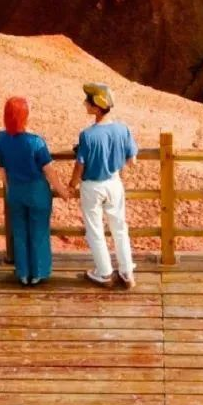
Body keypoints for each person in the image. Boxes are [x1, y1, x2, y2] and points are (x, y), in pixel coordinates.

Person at [69, 82, 138, 289]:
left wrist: (72, 184)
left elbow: (79, 165)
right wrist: (115, 165)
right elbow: (132, 160)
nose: (85, 104)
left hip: (92, 186)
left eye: (88, 102)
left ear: (97, 108)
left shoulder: (87, 135)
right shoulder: (123, 129)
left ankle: (104, 273)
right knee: (119, 228)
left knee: (95, 230)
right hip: (114, 184)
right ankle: (127, 273)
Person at [0, 96, 66, 286]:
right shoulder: (36, 142)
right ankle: (39, 272)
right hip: (37, 191)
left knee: (19, 230)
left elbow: (2, 170)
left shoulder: (0, 139)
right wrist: (63, 191)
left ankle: (23, 272)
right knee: (39, 230)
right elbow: (49, 171)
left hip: (15, 190)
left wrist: (10, 189)